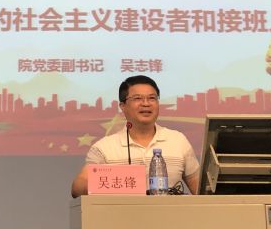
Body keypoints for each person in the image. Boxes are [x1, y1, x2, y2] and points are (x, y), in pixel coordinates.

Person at [71, 75, 199, 197]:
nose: (146, 103)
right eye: (137, 98)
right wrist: (119, 182)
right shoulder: (104, 148)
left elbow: (202, 191)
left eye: (152, 98)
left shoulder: (178, 140)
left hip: (171, 212)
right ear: (123, 106)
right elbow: (78, 187)